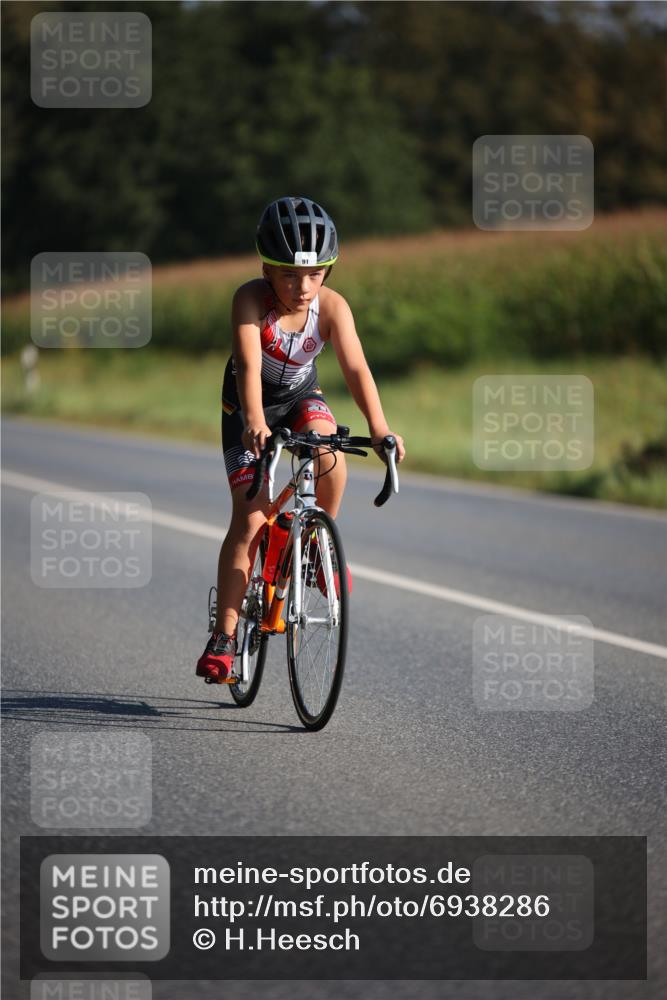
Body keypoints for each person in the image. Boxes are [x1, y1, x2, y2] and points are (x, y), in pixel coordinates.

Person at [196, 196, 405, 682]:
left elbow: (355, 367)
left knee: (331, 453)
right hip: (247, 406)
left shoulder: (331, 307)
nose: (304, 287)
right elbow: (249, 365)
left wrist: (380, 428)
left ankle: (313, 543)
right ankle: (224, 638)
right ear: (266, 268)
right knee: (250, 519)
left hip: (298, 396)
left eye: (316, 274)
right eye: (290, 275)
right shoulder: (249, 299)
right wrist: (253, 419)